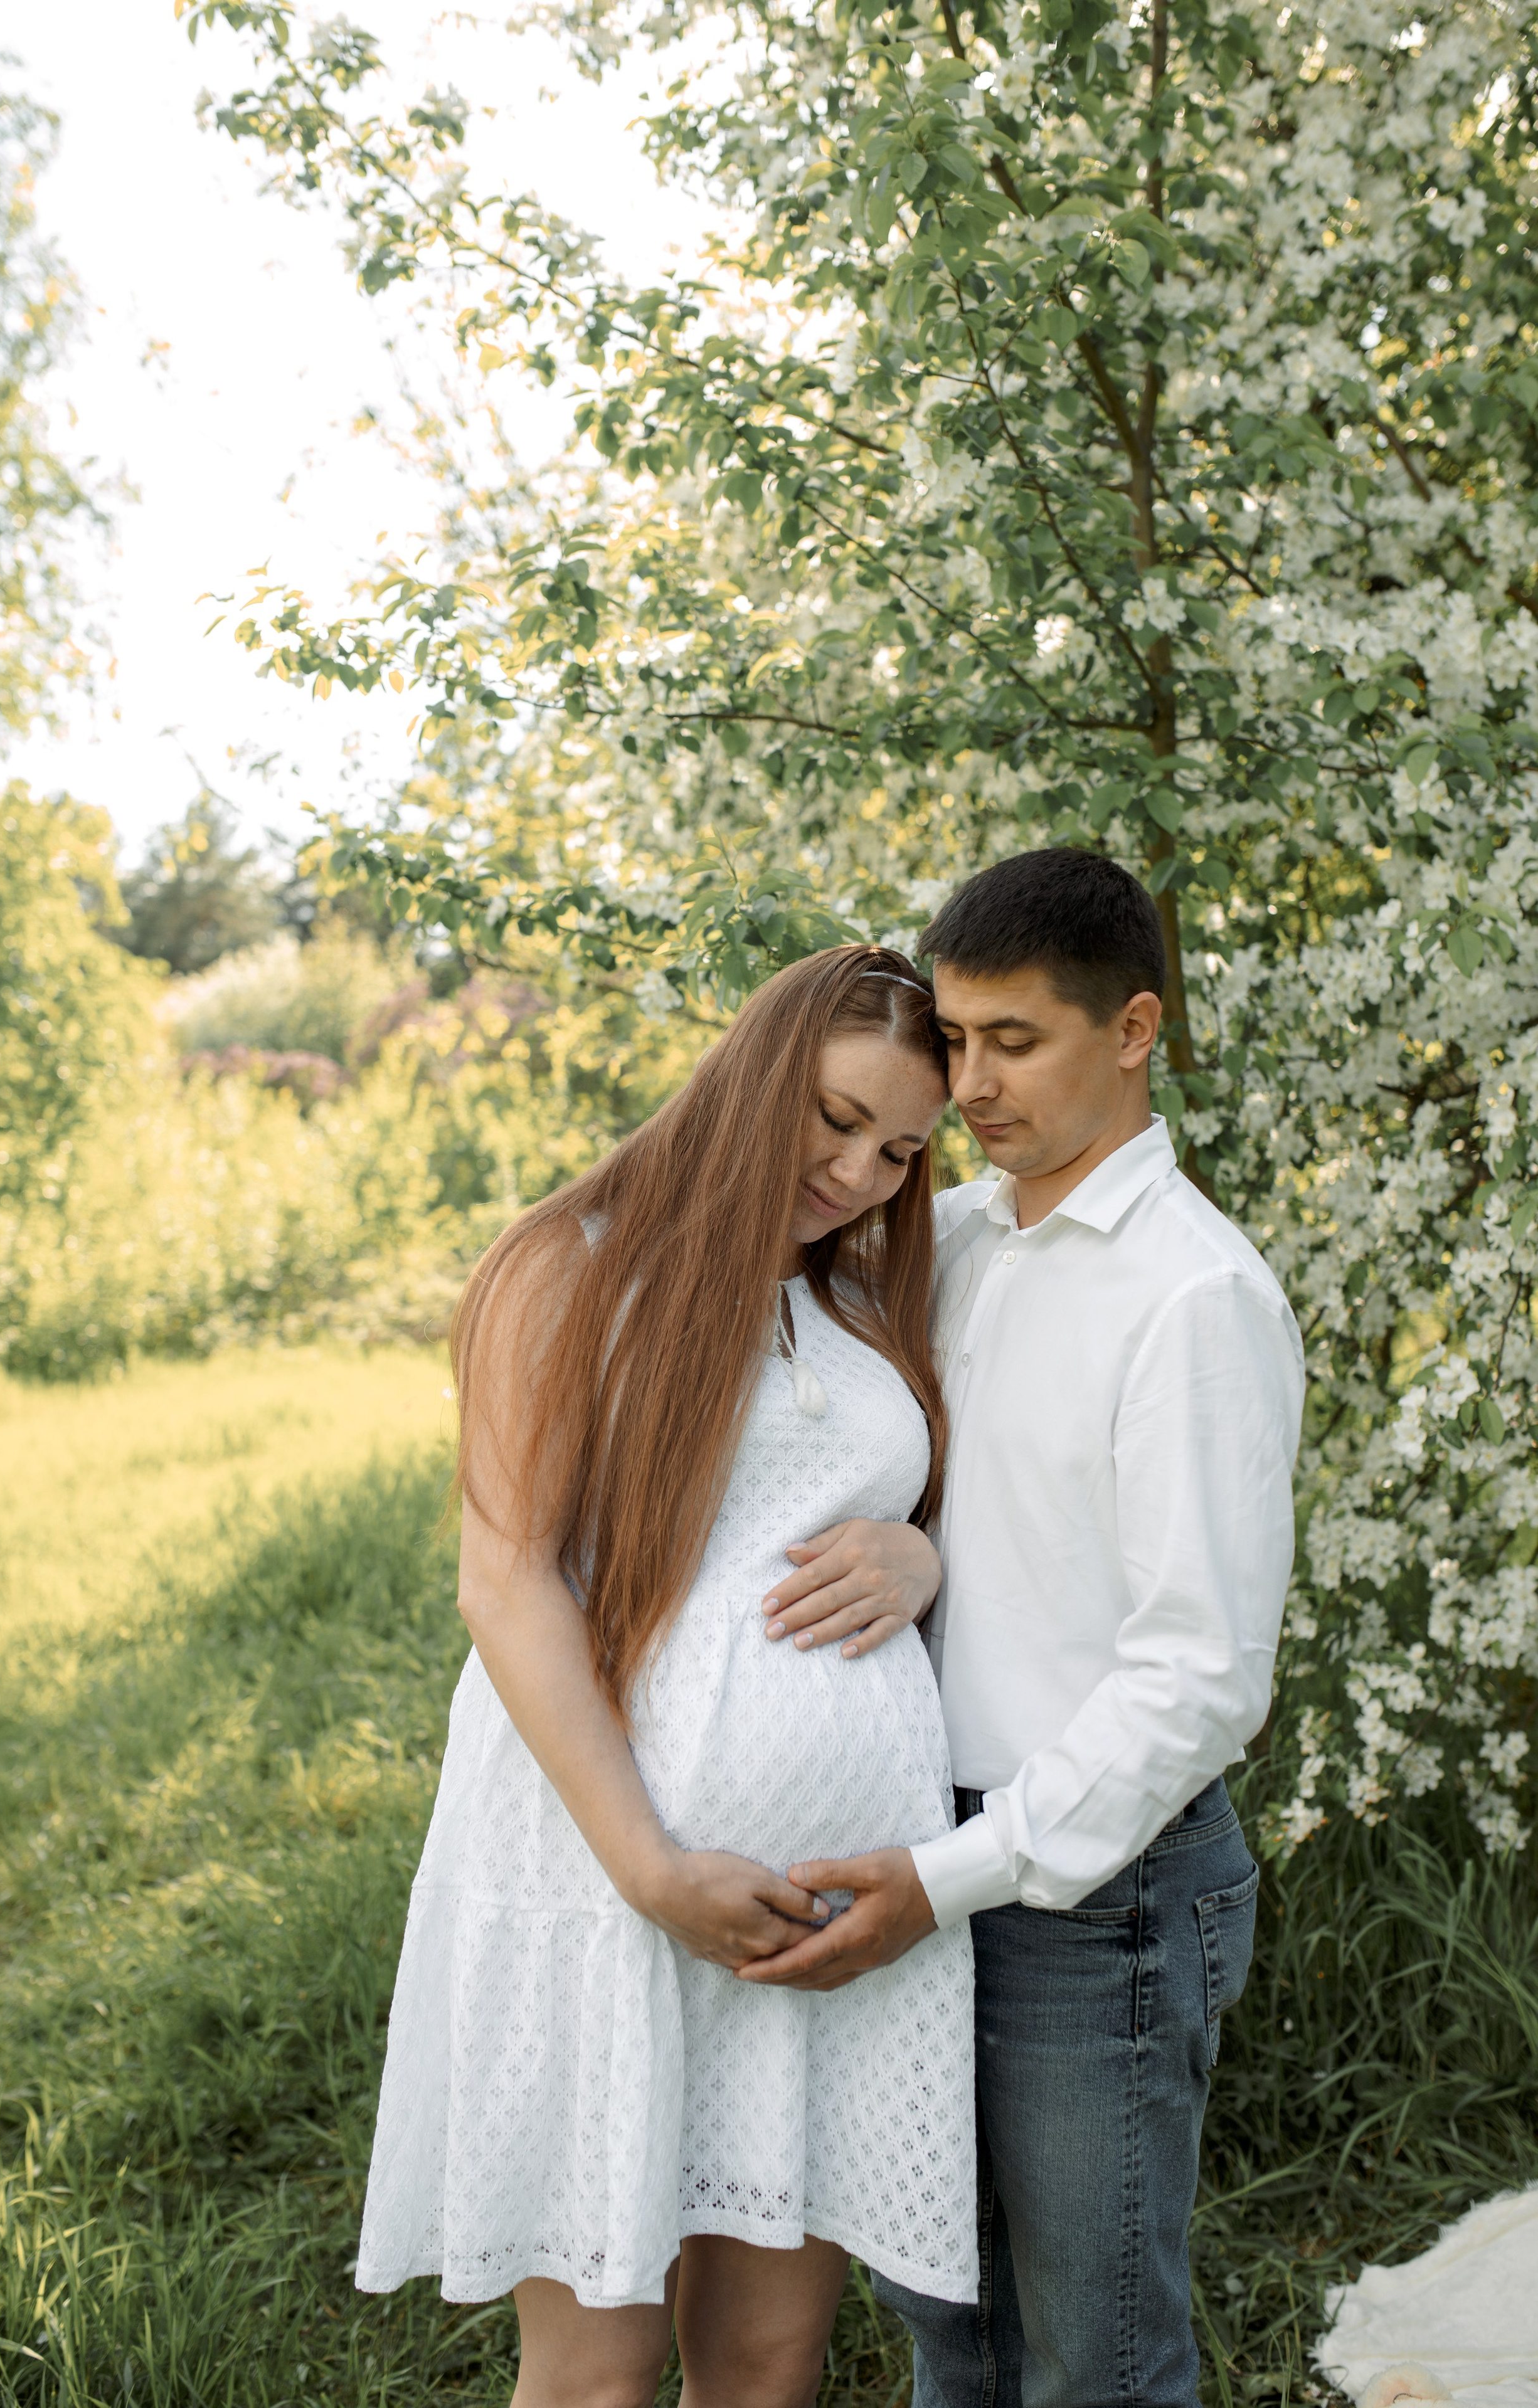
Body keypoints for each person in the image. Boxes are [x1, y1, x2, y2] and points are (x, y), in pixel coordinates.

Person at [354, 946, 978, 2408]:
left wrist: (922, 1558)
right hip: (607, 1885)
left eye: (899, 1149)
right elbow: (505, 1581)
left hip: (825, 1912)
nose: (859, 1172)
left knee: (764, 2362)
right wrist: (648, 1865)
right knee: (599, 2366)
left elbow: (899, 1514)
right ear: (754, 1070)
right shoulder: (567, 1268)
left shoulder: (861, 1297)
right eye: (834, 1119)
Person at [748, 850, 1306, 2408]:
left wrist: (950, 1880)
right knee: (951, 2332)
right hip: (923, 1848)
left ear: (1131, 1030)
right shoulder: (956, 1242)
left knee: (1092, 2370)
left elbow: (1198, 1676)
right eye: (958, 1040)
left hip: (1095, 1896)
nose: (969, 1081)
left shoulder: (1192, 1298)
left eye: (1016, 1042)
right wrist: (918, 1561)